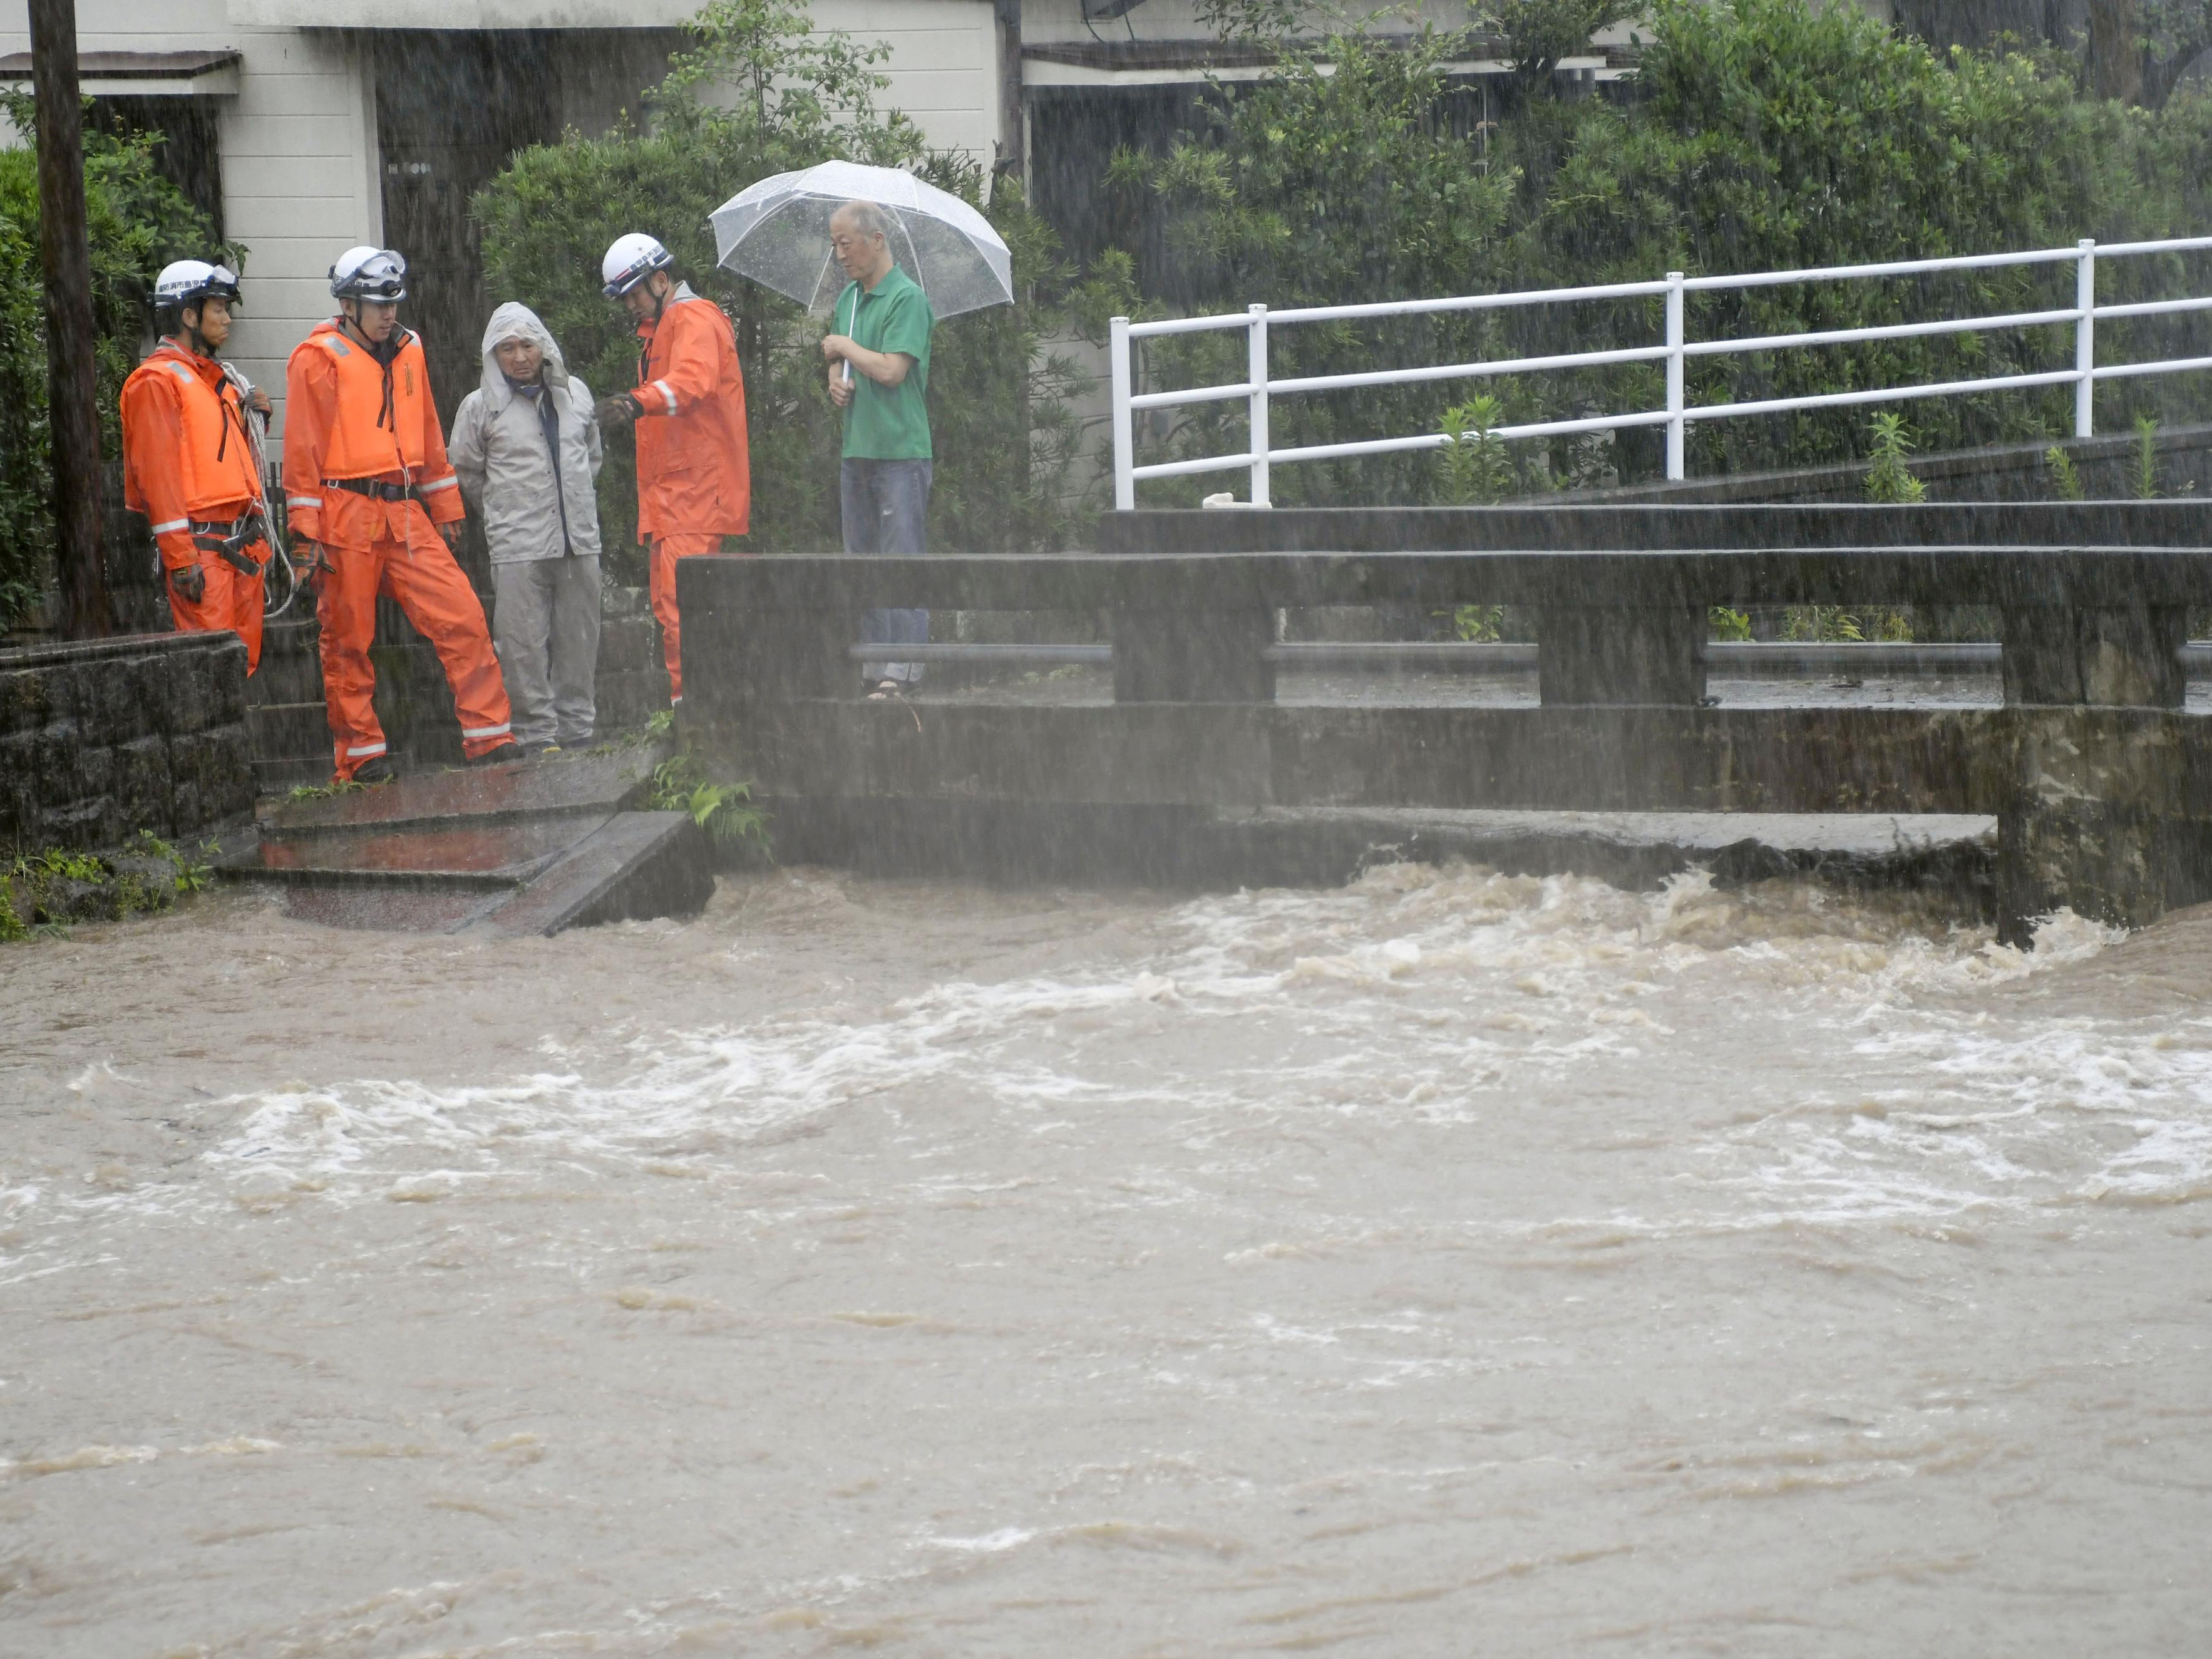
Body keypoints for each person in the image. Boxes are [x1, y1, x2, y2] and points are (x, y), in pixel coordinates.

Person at [283, 246, 517, 783]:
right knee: (347, 640)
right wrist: (304, 538)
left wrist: (447, 506)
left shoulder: (411, 350)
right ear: (348, 304)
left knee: (462, 617)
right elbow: (302, 455)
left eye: (394, 303)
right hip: (345, 512)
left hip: (407, 514)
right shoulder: (316, 359)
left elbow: (429, 432)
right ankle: (361, 754)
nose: (390, 314)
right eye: (377, 304)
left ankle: (489, 737)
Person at [594, 234, 749, 705]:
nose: (630, 307)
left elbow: (694, 383)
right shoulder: (669, 324)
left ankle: (701, 716)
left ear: (661, 280)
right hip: (679, 497)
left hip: (694, 493)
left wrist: (633, 402)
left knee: (684, 610)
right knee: (675, 609)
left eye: (634, 295)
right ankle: (692, 711)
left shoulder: (692, 317)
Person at [450, 303, 605, 757]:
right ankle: (537, 735)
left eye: (528, 345)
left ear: (545, 347)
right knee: (522, 645)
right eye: (507, 348)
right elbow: (465, 469)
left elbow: (591, 457)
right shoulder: (479, 407)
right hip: (517, 543)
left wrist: (571, 502)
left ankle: (578, 729)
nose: (519, 356)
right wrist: (503, 509)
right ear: (493, 355)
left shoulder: (576, 393)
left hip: (579, 538)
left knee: (580, 637)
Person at [120, 260, 275, 674]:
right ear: (188, 315)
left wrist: (257, 421)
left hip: (239, 549)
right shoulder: (156, 382)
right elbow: (160, 480)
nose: (228, 319)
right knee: (211, 675)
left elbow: (220, 462)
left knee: (240, 670)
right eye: (219, 309)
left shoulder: (216, 382)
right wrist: (181, 560)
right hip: (202, 555)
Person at [820, 199, 934, 700]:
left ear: (877, 240)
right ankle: (873, 666)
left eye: (846, 243)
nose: (840, 254)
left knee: (900, 560)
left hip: (900, 451)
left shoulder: (907, 298)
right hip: (857, 448)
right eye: (834, 245)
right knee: (861, 561)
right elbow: (846, 367)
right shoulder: (848, 299)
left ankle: (903, 669)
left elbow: (891, 370)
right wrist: (833, 380)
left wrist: (843, 352)